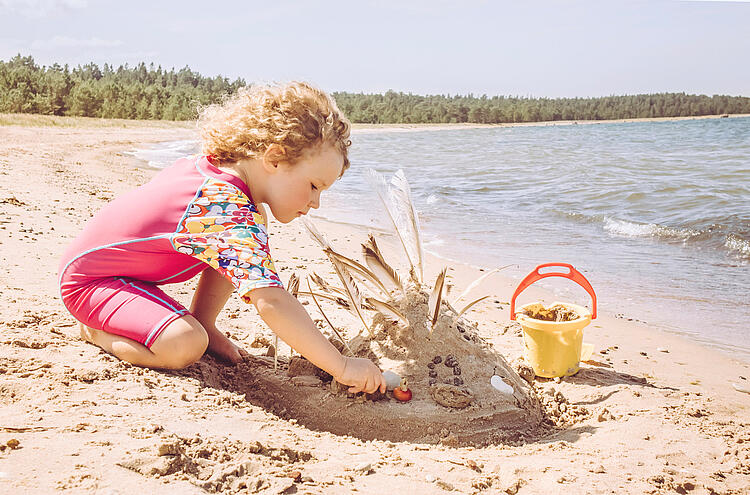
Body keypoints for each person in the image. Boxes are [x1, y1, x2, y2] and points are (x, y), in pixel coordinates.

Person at [58, 81, 386, 395]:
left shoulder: (221, 179)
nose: (315, 203)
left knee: (248, 231)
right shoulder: (223, 206)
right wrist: (341, 366)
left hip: (123, 276)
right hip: (92, 283)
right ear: (273, 158)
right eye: (314, 186)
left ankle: (205, 321)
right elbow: (271, 301)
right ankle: (96, 332)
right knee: (184, 344)